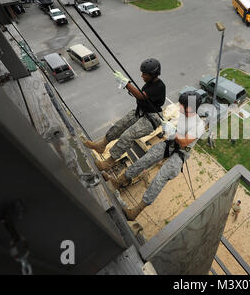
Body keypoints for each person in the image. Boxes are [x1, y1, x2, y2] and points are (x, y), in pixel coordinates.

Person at [103, 91, 205, 221]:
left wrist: (172, 131)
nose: (180, 107)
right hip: (171, 144)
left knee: (159, 179)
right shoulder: (184, 116)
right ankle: (118, 182)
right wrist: (168, 128)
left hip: (180, 153)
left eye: (182, 105)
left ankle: (135, 211)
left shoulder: (198, 125)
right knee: (145, 160)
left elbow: (184, 142)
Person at [83, 59, 166, 171]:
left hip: (152, 118)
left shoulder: (159, 86)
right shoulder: (149, 84)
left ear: (153, 74)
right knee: (119, 125)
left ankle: (108, 163)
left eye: (144, 74)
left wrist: (126, 83)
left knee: (127, 136)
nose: (142, 76)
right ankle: (101, 145)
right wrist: (125, 83)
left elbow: (140, 96)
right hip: (141, 111)